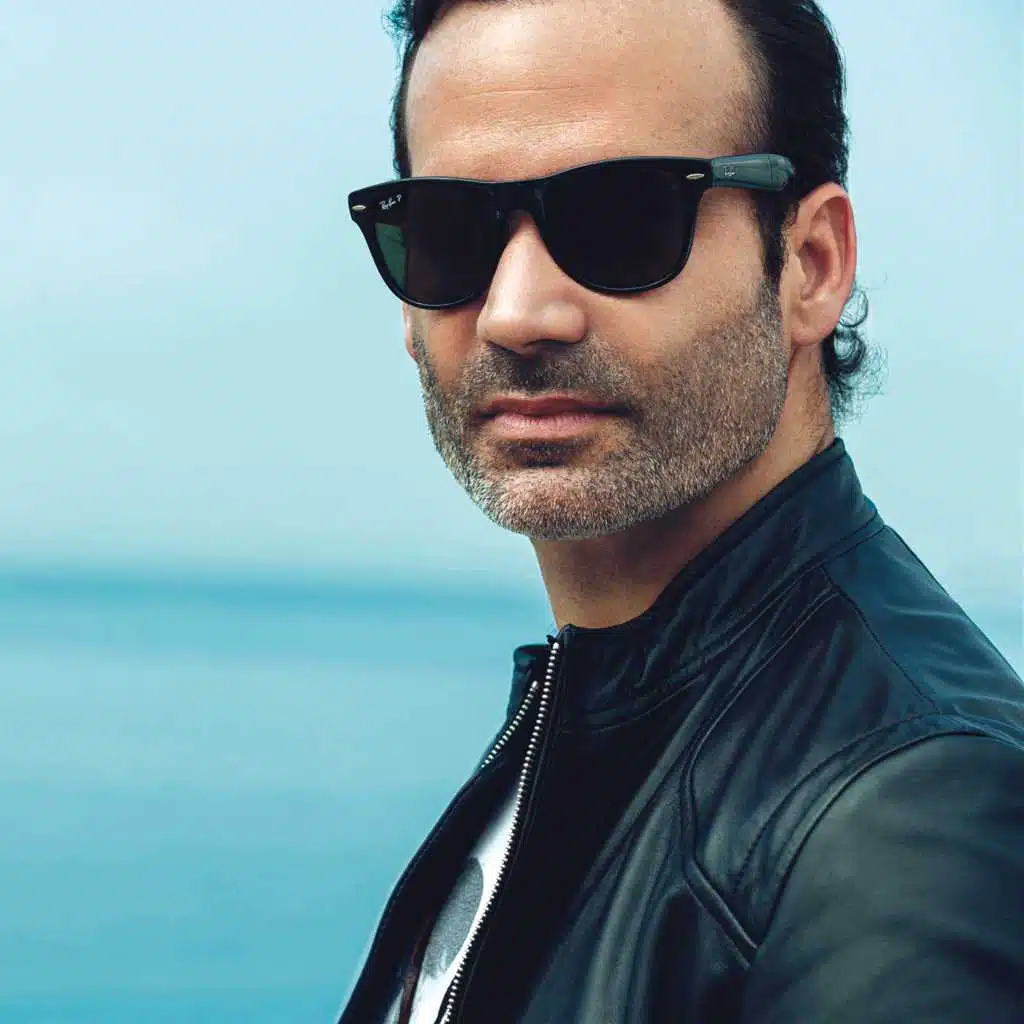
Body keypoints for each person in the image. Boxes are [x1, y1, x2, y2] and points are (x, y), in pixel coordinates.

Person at [339, 0, 1024, 1021]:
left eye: (621, 218)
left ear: (810, 265)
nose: (518, 312)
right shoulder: (594, 724)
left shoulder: (910, 820)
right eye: (448, 234)